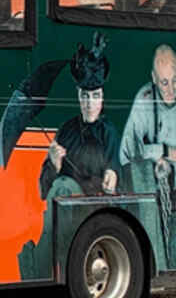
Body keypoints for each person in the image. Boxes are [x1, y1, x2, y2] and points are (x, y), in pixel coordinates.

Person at [119, 44, 176, 207]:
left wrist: (171, 168)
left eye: (174, 81)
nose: (171, 90)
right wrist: (161, 152)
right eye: (164, 82)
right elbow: (128, 149)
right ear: (154, 78)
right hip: (150, 180)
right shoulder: (144, 98)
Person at [40, 34, 121, 198]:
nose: (90, 104)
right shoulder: (66, 131)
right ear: (78, 95)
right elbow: (43, 191)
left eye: (95, 96)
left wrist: (113, 175)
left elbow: (116, 168)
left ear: (103, 97)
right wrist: (54, 165)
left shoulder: (109, 132)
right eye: (85, 96)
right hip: (66, 213)